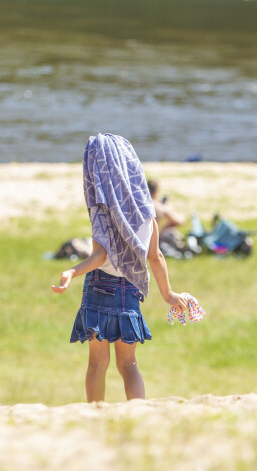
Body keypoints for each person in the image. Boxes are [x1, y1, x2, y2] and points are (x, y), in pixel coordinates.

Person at [51, 133, 187, 402]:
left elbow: (100, 256)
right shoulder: (147, 215)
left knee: (97, 363)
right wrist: (168, 294)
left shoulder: (103, 211)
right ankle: (137, 409)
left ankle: (95, 411)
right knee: (129, 364)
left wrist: (73, 271)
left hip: (99, 288)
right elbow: (156, 256)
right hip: (130, 291)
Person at [147, 179, 187, 253]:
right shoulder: (159, 206)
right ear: (156, 192)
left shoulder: (139, 205)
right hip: (153, 242)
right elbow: (180, 221)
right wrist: (170, 208)